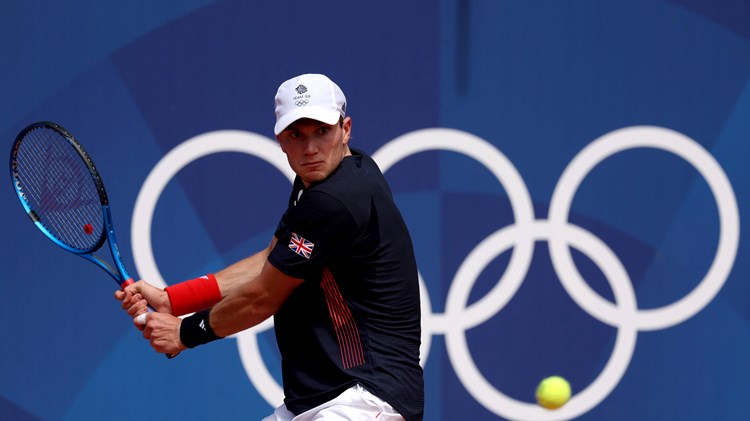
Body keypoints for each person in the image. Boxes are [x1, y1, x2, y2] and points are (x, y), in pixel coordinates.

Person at [116, 73, 424, 420]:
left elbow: (263, 296)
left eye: (322, 131)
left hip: (365, 398)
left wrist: (184, 333)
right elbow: (269, 260)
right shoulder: (327, 179)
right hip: (319, 398)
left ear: (345, 128)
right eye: (297, 135)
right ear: (280, 139)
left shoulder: (335, 200)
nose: (310, 149)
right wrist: (173, 300)